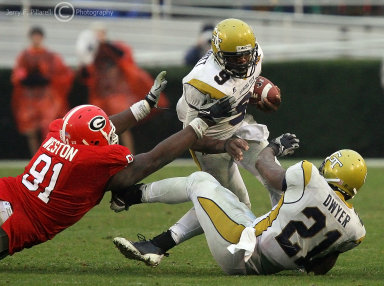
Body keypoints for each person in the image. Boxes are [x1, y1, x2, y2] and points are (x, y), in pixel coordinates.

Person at [0, 71, 242, 260]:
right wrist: (203, 121)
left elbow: (98, 128)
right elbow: (153, 159)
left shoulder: (59, 132)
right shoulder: (89, 162)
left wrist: (145, 105)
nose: (110, 134)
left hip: (8, 191)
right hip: (19, 222)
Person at [113, 134, 367, 275]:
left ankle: (131, 194)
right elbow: (320, 267)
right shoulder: (356, 230)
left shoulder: (310, 176)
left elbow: (265, 169)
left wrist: (273, 148)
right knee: (222, 198)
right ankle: (156, 245)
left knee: (200, 181)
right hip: (262, 255)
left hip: (239, 251)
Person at [143, 18, 280, 252]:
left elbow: (246, 83)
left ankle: (285, 238)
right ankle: (160, 242)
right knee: (233, 206)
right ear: (217, 54)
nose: (244, 61)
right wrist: (225, 144)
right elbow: (191, 137)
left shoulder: (255, 55)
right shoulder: (200, 82)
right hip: (212, 138)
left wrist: (260, 94)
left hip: (240, 125)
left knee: (278, 180)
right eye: (236, 58)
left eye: (246, 55)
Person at [77, 22, 169, 153]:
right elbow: (86, 75)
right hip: (102, 96)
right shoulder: (92, 52)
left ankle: (128, 154)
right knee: (101, 129)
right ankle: (105, 154)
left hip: (117, 95)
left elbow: (123, 57)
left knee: (123, 126)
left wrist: (104, 44)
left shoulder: (113, 47)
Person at [11, 26, 74, 156]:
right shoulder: (24, 56)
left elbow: (61, 74)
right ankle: (36, 155)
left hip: (45, 98)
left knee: (47, 127)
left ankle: (47, 154)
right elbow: (18, 75)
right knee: (31, 129)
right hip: (29, 98)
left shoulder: (50, 56)